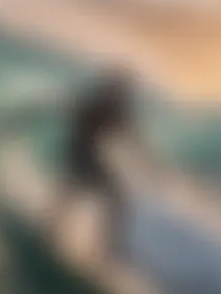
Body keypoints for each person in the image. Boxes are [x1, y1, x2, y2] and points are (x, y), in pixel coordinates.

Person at [49, 65, 148, 264]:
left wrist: (149, 164)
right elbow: (72, 113)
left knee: (118, 200)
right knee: (72, 192)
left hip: (91, 159)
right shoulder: (97, 103)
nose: (123, 95)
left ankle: (105, 250)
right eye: (120, 90)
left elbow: (132, 137)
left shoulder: (119, 111)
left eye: (124, 92)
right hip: (78, 155)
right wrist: (73, 110)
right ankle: (51, 230)